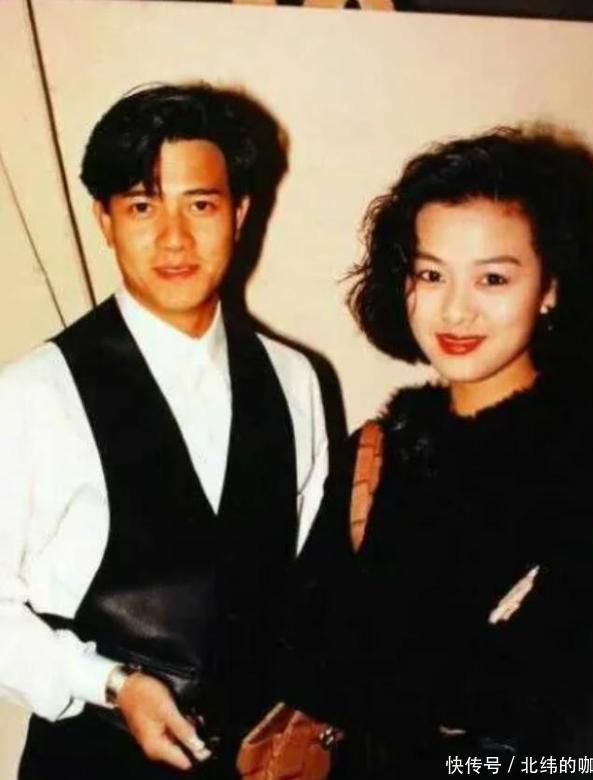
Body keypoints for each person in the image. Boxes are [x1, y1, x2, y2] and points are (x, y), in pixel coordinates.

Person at [281, 127, 593, 777]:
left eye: (493, 278)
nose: (455, 311)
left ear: (551, 287)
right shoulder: (380, 454)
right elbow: (308, 659)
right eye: (431, 274)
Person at [0, 83, 327, 779]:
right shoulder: (32, 394)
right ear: (105, 218)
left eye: (200, 205)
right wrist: (110, 684)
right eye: (143, 206)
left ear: (240, 212)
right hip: (89, 763)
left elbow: (305, 587)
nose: (174, 239)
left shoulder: (294, 380)